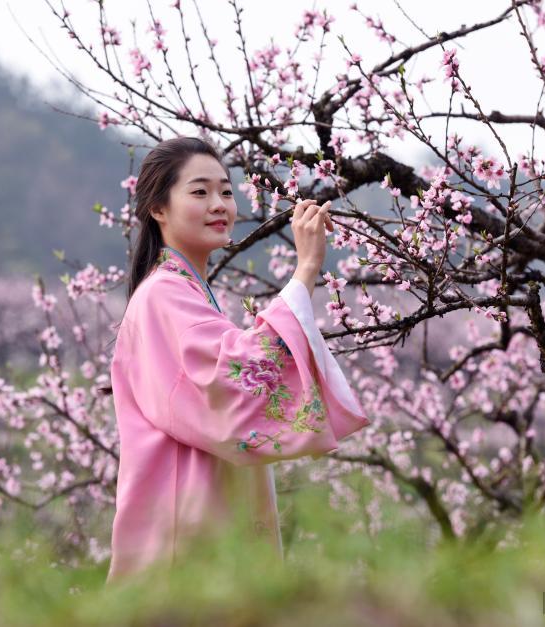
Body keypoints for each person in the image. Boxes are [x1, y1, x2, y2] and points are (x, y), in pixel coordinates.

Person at [107, 136, 370, 582]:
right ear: (158, 208)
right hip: (181, 535)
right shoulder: (164, 295)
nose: (219, 204)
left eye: (226, 192)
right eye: (199, 191)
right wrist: (305, 270)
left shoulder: (183, 293)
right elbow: (240, 376)